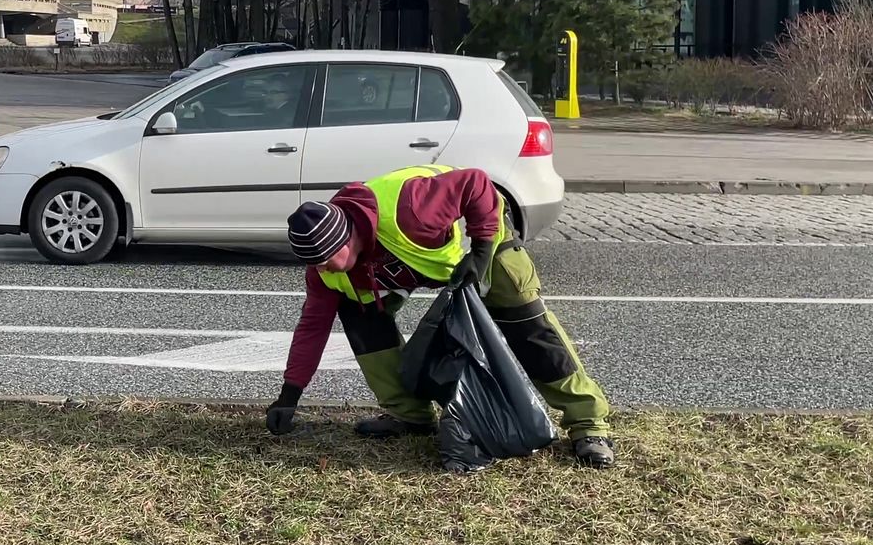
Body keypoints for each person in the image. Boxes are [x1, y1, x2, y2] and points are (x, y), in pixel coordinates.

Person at [264, 164, 617, 469]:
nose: (322, 267)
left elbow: (476, 183)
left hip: (481, 237)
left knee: (526, 323)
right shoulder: (323, 272)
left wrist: (480, 253)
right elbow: (312, 328)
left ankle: (588, 423)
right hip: (402, 267)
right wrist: (290, 394)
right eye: (314, 263)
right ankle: (409, 414)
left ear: (348, 237)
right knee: (360, 316)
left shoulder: (411, 209)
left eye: (327, 258)